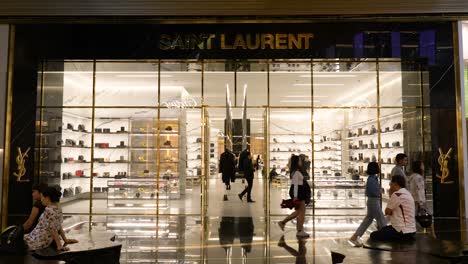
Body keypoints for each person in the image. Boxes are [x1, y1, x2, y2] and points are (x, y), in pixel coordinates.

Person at [24, 187, 78, 251]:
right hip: (37, 236)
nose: (41, 199)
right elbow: (58, 225)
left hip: (38, 239)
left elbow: (53, 229)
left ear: (47, 198)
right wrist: (65, 239)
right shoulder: (57, 208)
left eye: (42, 197)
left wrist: (59, 246)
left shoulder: (49, 210)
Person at [349, 162, 387, 247]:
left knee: (368, 220)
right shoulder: (372, 179)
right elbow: (373, 191)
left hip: (373, 201)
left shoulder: (372, 178)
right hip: (373, 201)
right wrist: (380, 190)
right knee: (381, 219)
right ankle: (387, 235)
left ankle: (355, 236)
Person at [370, 175, 416, 241]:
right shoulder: (407, 193)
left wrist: (390, 194)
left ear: (395, 184)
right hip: (412, 230)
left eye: (391, 183)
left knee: (373, 235)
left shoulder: (397, 194)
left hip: (402, 231)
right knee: (383, 229)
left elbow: (387, 211)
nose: (390, 186)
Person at [277, 155, 310, 238]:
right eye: (299, 160)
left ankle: (298, 229)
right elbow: (295, 185)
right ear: (296, 162)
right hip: (299, 193)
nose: (300, 162)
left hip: (299, 192)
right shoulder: (296, 172)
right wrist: (295, 197)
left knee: (299, 212)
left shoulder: (296, 171)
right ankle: (298, 230)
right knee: (301, 212)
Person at [407, 160, 436, 237]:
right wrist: (421, 203)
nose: (423, 166)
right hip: (420, 201)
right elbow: (419, 190)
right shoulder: (418, 178)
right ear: (419, 167)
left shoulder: (412, 177)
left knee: (413, 217)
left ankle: (413, 233)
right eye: (422, 165)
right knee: (429, 215)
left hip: (413, 200)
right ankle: (433, 234)